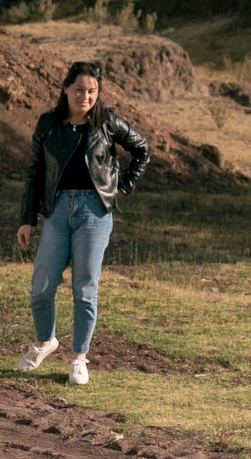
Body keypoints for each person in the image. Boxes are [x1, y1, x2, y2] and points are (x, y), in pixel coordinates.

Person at [13, 61, 150, 387]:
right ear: (66, 89)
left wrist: (122, 186)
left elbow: (142, 149)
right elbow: (34, 173)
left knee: (84, 289)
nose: (85, 96)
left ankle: (79, 358)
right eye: (79, 90)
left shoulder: (107, 122)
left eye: (92, 91)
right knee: (42, 286)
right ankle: (45, 341)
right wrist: (26, 220)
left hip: (94, 212)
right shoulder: (48, 124)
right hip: (58, 211)